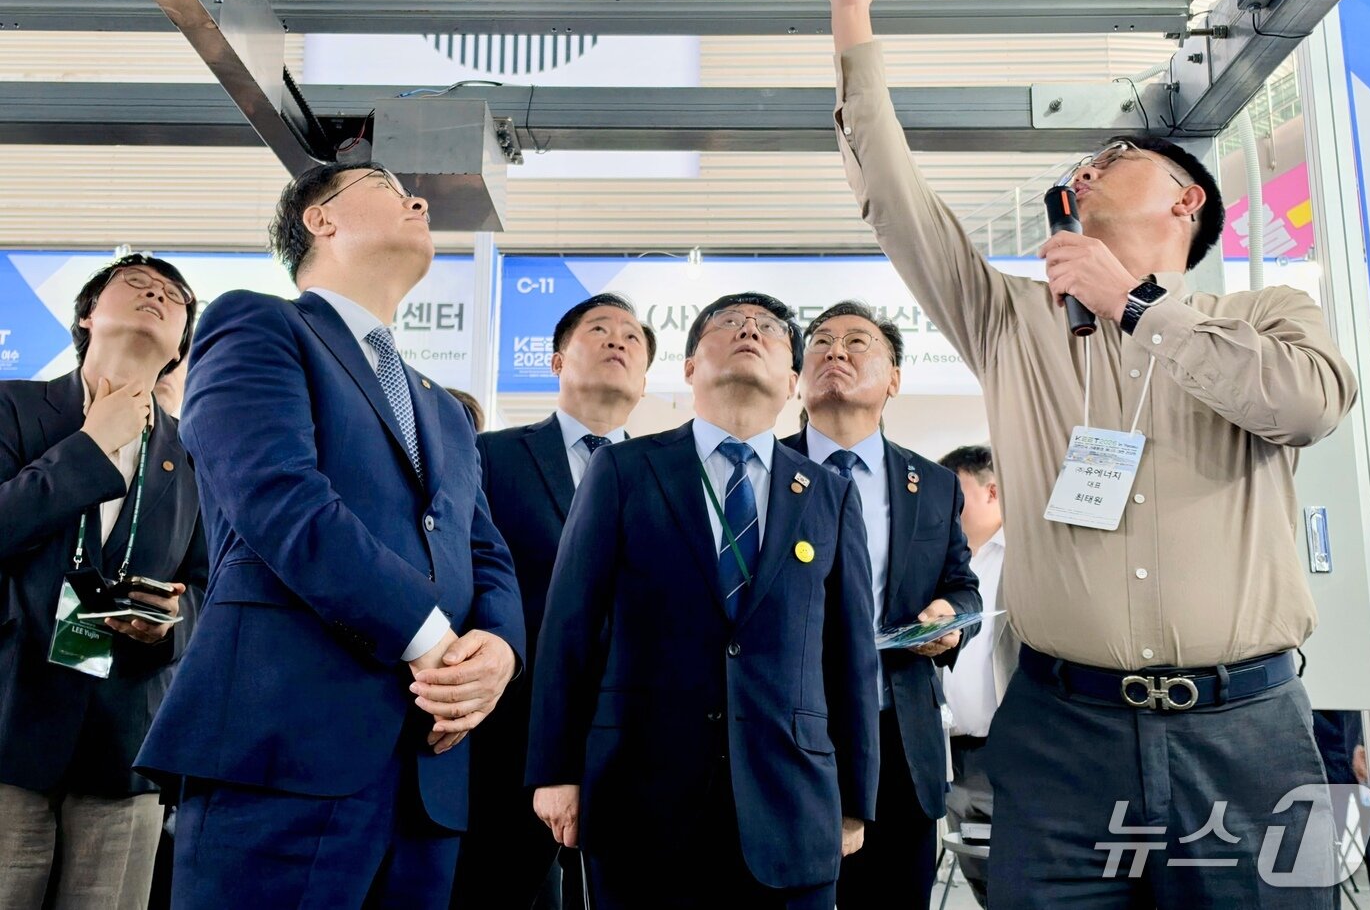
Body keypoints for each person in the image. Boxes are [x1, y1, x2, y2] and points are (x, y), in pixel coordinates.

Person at [812, 0, 1359, 908]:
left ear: (1183, 200)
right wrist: (852, 25)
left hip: (1248, 728)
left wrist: (1138, 307)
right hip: (1061, 727)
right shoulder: (1011, 319)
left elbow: (1305, 404)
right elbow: (894, 200)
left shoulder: (1265, 311)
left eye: (1112, 159)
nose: (1085, 168)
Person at [135, 162, 526, 909]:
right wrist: (431, 640)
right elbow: (278, 499)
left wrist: (500, 653)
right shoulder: (258, 324)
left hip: (427, 771)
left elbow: (486, 552)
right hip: (286, 748)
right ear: (321, 220)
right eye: (385, 185)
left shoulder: (442, 408)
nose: (417, 200)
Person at [527, 293, 879, 910]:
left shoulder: (829, 494)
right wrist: (555, 770)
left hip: (793, 803)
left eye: (769, 327)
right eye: (727, 323)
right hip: (640, 796)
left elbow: (849, 655)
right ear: (689, 367)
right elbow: (569, 628)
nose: (749, 328)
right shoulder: (625, 471)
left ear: (793, 379)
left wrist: (855, 798)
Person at [0, 254, 206, 910]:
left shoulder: (194, 456)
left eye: (173, 296)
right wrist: (90, 446)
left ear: (179, 349)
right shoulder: (13, 408)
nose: (156, 294)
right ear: (88, 315)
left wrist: (168, 623)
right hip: (8, 725)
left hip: (124, 749)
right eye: (137, 285)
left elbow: (207, 587)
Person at [455, 294, 656, 910]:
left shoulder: (665, 474)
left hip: (633, 740)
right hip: (508, 740)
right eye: (599, 329)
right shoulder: (489, 457)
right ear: (555, 361)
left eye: (632, 337)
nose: (617, 340)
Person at [783, 299, 980, 910]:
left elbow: (962, 584)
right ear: (798, 373)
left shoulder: (933, 483)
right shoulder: (761, 471)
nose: (835, 351)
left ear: (894, 379)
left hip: (899, 737)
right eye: (820, 341)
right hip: (788, 729)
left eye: (857, 342)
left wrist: (952, 618)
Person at [936, 444, 1008, 909]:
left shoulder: (1024, 558)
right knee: (980, 876)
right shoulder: (944, 564)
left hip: (1008, 751)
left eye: (954, 494)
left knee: (1019, 875)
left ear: (992, 492)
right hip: (953, 754)